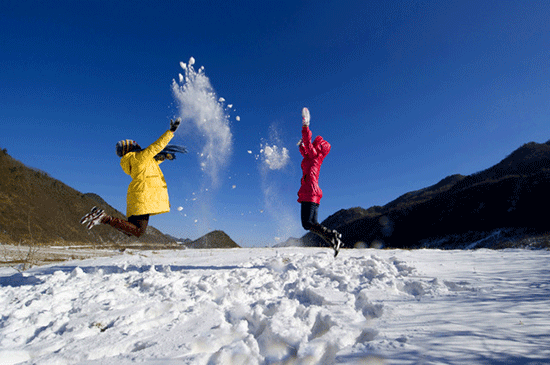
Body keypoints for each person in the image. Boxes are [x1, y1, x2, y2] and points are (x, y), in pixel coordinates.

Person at [80, 118, 181, 237]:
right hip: (143, 196)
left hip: (137, 197)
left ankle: (102, 217)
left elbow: (150, 164)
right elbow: (156, 147)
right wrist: (171, 131)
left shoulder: (135, 161)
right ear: (131, 148)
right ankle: (103, 218)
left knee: (132, 231)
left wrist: (163, 157)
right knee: (138, 231)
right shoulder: (138, 157)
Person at [297, 107, 342, 255]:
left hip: (310, 192)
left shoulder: (314, 154)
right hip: (313, 193)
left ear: (317, 145)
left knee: (307, 224)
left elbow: (308, 145)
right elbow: (306, 150)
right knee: (313, 224)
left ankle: (332, 235)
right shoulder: (315, 157)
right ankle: (333, 240)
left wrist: (306, 126)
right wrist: (301, 146)